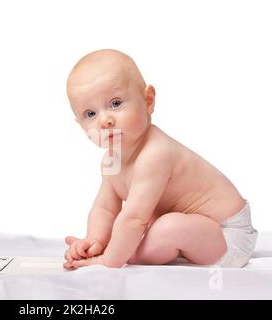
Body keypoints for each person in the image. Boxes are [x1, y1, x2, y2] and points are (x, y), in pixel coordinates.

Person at [64, 49, 258, 269]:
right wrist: (95, 240)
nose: (105, 120)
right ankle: (126, 248)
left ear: (148, 100)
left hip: (228, 236)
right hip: (200, 231)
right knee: (144, 233)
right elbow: (105, 209)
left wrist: (108, 260)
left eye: (116, 103)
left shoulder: (155, 154)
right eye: (90, 114)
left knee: (163, 230)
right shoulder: (111, 160)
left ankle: (127, 253)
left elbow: (134, 219)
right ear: (79, 123)